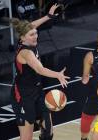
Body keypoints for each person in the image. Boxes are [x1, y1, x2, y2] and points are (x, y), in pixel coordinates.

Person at [10, 4, 69, 140]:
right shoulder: (25, 52)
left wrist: (48, 16)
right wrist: (57, 75)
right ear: (22, 38)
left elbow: (32, 25)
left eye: (36, 33)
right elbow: (40, 69)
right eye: (31, 35)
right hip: (23, 96)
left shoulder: (26, 37)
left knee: (48, 132)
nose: (35, 36)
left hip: (37, 91)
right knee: (27, 138)